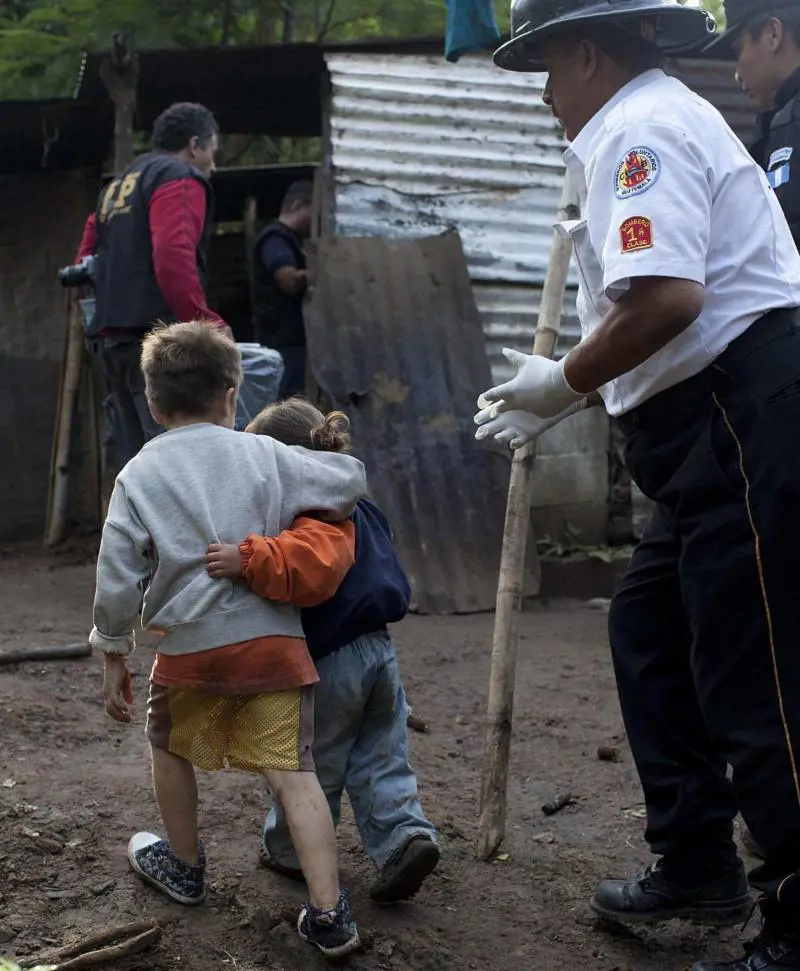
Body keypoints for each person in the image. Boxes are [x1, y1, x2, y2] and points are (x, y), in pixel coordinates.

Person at [475, 0, 800, 968]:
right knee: (650, 630)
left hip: (738, 416)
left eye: (544, 68)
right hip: (702, 430)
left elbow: (669, 295)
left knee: (760, 675)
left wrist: (561, 382)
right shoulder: (643, 123)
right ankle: (693, 858)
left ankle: (793, 916)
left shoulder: (639, 129)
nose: (541, 95)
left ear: (585, 55)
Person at [90, 321, 367, 958]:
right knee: (293, 775)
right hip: (271, 648)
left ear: (154, 405)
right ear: (232, 394)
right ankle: (330, 915)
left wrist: (112, 650)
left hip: (185, 648)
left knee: (168, 747)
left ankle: (184, 866)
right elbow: (348, 481)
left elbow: (116, 572)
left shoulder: (139, 473)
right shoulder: (265, 454)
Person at [205, 398, 440, 904]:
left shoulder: (308, 513)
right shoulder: (358, 502)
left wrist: (245, 560)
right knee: (383, 756)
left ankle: (290, 851)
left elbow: (305, 570)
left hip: (330, 660)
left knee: (313, 763)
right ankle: (405, 837)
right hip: (380, 652)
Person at [79, 102, 230, 469]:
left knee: (134, 465)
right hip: (158, 345)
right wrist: (204, 323)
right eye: (212, 151)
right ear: (195, 145)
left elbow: (83, 259)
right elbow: (172, 254)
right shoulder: (178, 178)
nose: (214, 164)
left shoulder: (117, 187)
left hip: (111, 342)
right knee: (173, 463)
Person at [706, 0, 800, 248]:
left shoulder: (792, 119)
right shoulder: (780, 117)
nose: (737, 73)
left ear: (773, 34)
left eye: (738, 50)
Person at [251, 182, 313, 399]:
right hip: (284, 343)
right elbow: (288, 280)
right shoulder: (275, 238)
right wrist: (323, 274)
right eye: (314, 211)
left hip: (292, 342)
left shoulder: (290, 239)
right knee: (289, 404)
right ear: (298, 206)